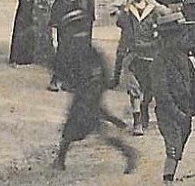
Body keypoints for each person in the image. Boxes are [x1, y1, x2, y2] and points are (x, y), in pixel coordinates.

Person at [52, 42, 136, 175]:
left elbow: (93, 79)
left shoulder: (87, 53)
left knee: (84, 127)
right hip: (86, 95)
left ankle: (129, 153)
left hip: (88, 96)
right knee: (79, 128)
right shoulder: (85, 52)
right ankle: (60, 160)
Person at [151, 12, 195, 186]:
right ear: (168, 38)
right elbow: (162, 93)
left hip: (185, 110)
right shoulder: (160, 61)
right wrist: (176, 113)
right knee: (173, 147)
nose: (184, 39)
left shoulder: (183, 57)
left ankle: (171, 182)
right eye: (179, 36)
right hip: (170, 113)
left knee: (179, 146)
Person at [111, 0, 169, 137]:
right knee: (134, 87)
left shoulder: (155, 10)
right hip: (133, 54)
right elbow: (120, 22)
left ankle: (144, 108)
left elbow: (169, 17)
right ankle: (137, 121)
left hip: (151, 54)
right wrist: (125, 7)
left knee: (150, 90)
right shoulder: (128, 12)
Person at [47, 0, 92, 93]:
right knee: (63, 54)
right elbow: (55, 19)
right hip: (65, 34)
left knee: (72, 55)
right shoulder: (63, 1)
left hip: (73, 34)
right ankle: (56, 80)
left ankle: (67, 82)